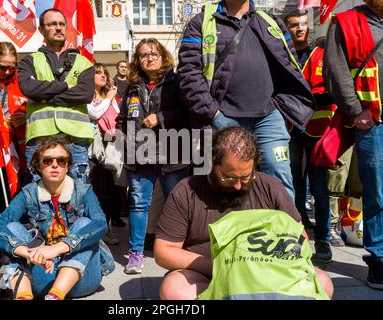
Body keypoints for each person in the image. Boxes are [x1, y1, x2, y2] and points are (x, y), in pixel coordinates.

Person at [154, 127, 333, 300]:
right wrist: (225, 266)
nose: (238, 185)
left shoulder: (271, 187)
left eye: (245, 177)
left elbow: (301, 240)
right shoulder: (187, 191)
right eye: (229, 178)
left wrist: (261, 266)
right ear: (212, 164)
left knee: (323, 282)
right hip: (209, 274)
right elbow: (164, 251)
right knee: (175, 290)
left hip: (269, 273)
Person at [178, 0, 315, 199]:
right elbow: (189, 74)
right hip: (222, 120)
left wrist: (281, 110)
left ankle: (285, 229)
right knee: (225, 186)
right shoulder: (201, 22)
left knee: (280, 183)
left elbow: (290, 66)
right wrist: (214, 115)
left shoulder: (271, 21)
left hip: (268, 118)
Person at [0, 137, 114, 300]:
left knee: (86, 223)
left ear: (68, 166)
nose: (55, 165)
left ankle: (55, 296)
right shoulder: (28, 193)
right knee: (12, 227)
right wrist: (27, 252)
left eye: (62, 161)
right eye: (47, 161)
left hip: (82, 278)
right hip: (45, 273)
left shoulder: (84, 191)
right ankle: (23, 296)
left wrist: (58, 248)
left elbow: (100, 225)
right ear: (38, 166)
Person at [116, 38, 190, 274]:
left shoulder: (176, 82)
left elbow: (188, 114)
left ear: (163, 57)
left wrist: (162, 118)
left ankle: (181, 250)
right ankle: (136, 254)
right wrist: (121, 136)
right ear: (137, 60)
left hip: (174, 152)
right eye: (143, 55)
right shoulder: (132, 87)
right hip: (140, 154)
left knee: (177, 204)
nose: (149, 58)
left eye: (154, 54)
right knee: (138, 204)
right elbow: (122, 119)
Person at [323, 0, 383, 289]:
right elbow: (335, 70)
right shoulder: (346, 21)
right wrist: (355, 109)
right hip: (374, 121)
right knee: (377, 192)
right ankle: (380, 258)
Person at [18, 8, 94, 184]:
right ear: (41, 30)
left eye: (61, 24)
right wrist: (65, 86)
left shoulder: (84, 62)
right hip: (40, 138)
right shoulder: (29, 61)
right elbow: (29, 88)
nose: (58, 28)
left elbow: (85, 93)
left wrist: (44, 95)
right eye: (52, 24)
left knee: (78, 196)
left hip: (75, 139)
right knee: (38, 197)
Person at [284, 11, 334, 262]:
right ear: (287, 28)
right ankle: (298, 234)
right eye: (294, 25)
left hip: (317, 129)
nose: (300, 29)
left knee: (319, 187)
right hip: (291, 128)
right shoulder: (284, 57)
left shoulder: (321, 55)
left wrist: (302, 99)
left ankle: (323, 240)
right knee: (293, 185)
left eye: (303, 25)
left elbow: (331, 91)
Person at [88, 63, 126, 246]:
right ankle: (97, 232)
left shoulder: (109, 98)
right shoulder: (87, 95)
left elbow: (117, 119)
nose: (103, 75)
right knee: (97, 193)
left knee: (112, 193)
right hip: (94, 152)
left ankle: (106, 229)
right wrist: (110, 97)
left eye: (105, 73)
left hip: (112, 149)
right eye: (98, 73)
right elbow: (94, 113)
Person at [0, 42, 28, 183]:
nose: (7, 72)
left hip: (19, 147)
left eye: (12, 67)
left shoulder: (23, 80)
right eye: (2, 67)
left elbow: (38, 109)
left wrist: (26, 117)